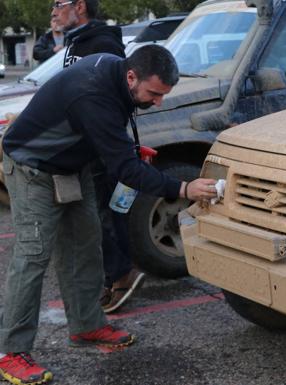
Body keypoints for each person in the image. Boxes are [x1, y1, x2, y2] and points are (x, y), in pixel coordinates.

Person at [0, 45, 217, 385]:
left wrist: (126, 149)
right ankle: (10, 352)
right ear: (132, 76)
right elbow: (126, 170)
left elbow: (108, 137)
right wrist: (185, 189)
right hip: (32, 168)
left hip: (74, 167)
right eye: (154, 93)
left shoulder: (119, 73)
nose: (158, 101)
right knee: (32, 255)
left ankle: (86, 326)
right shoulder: (92, 93)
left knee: (86, 245)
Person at [52, 0, 144, 314]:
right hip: (86, 146)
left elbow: (113, 98)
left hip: (100, 147)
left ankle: (121, 277)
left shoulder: (101, 44)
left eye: (58, 3)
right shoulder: (78, 42)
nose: (53, 11)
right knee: (98, 214)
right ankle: (111, 276)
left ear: (80, 6)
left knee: (105, 214)